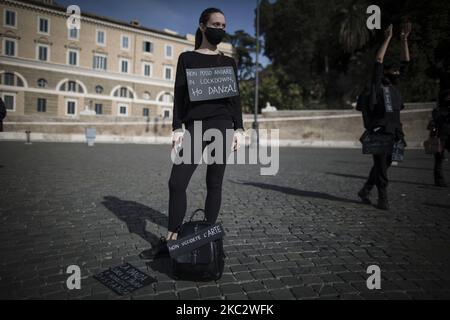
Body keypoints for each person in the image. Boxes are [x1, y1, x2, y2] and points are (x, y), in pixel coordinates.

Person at [147, 8, 245, 258]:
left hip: (223, 125)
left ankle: (208, 238)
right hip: (195, 127)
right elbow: (179, 96)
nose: (220, 29)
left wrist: (240, 128)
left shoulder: (228, 62)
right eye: (216, 24)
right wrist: (177, 127)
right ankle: (172, 237)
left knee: (214, 183)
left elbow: (235, 99)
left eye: (224, 25)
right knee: (176, 182)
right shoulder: (186, 58)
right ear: (202, 26)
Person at [357, 23, 411, 210]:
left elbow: (406, 64)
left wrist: (404, 40)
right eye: (393, 70)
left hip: (395, 130)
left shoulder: (395, 86)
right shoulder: (377, 84)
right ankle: (383, 198)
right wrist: (388, 38)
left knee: (385, 163)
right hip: (379, 130)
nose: (397, 72)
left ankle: (366, 189)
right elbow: (378, 59)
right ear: (386, 71)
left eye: (397, 70)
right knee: (380, 165)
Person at [427, 89, 450, 187]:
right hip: (440, 137)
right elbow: (435, 121)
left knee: (439, 160)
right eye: (448, 96)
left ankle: (439, 180)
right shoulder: (437, 110)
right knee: (439, 160)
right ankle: (439, 180)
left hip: (446, 136)